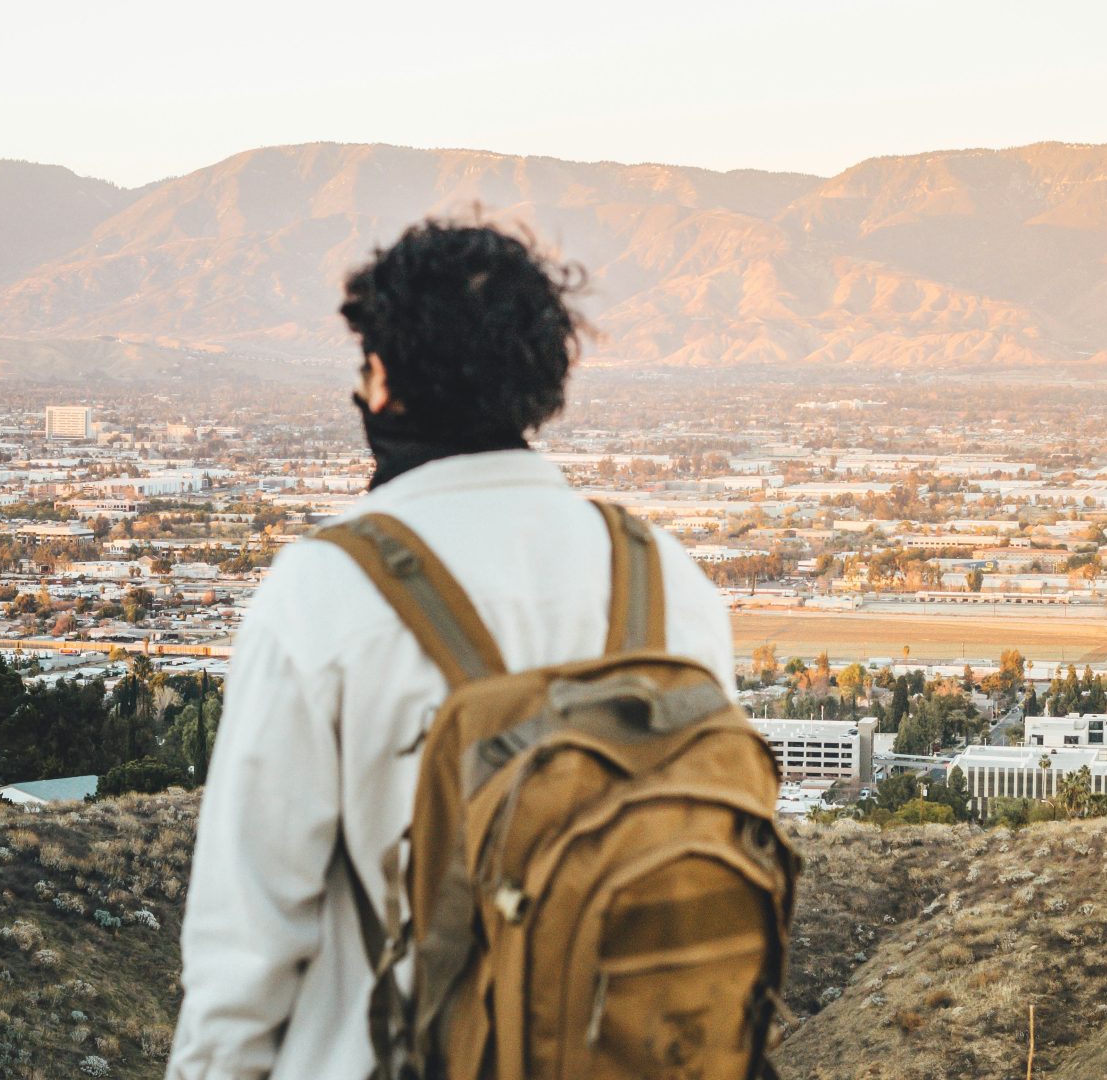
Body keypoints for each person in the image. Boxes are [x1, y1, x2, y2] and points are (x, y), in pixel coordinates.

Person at [167, 218, 736, 1079]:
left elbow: (244, 949)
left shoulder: (325, 591)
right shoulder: (668, 584)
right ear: (543, 380)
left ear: (383, 376)